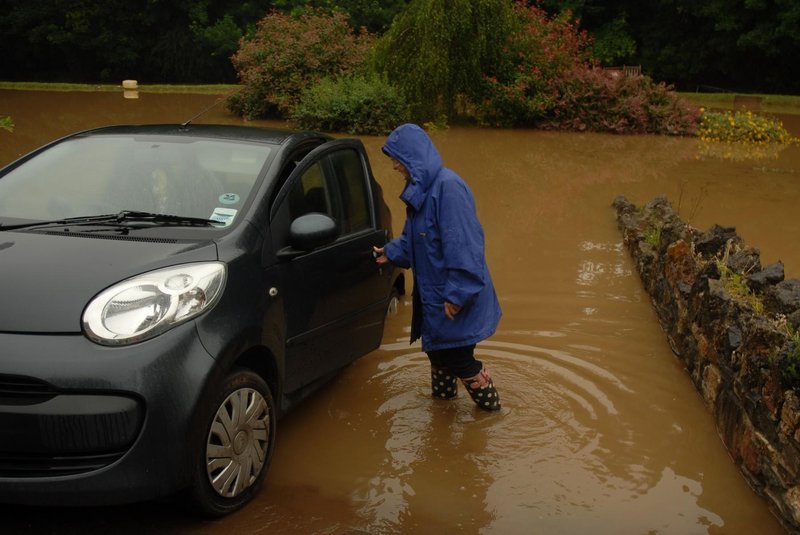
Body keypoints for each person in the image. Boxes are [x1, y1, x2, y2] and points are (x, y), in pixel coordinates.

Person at [373, 123, 502, 411]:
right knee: (438, 353)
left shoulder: (448, 188)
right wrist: (390, 253)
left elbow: (465, 246)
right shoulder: (420, 190)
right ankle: (444, 411)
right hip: (434, 295)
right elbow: (414, 239)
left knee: (458, 358)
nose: (394, 166)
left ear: (413, 157)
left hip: (453, 295)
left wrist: (457, 295)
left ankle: (491, 412)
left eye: (397, 159)